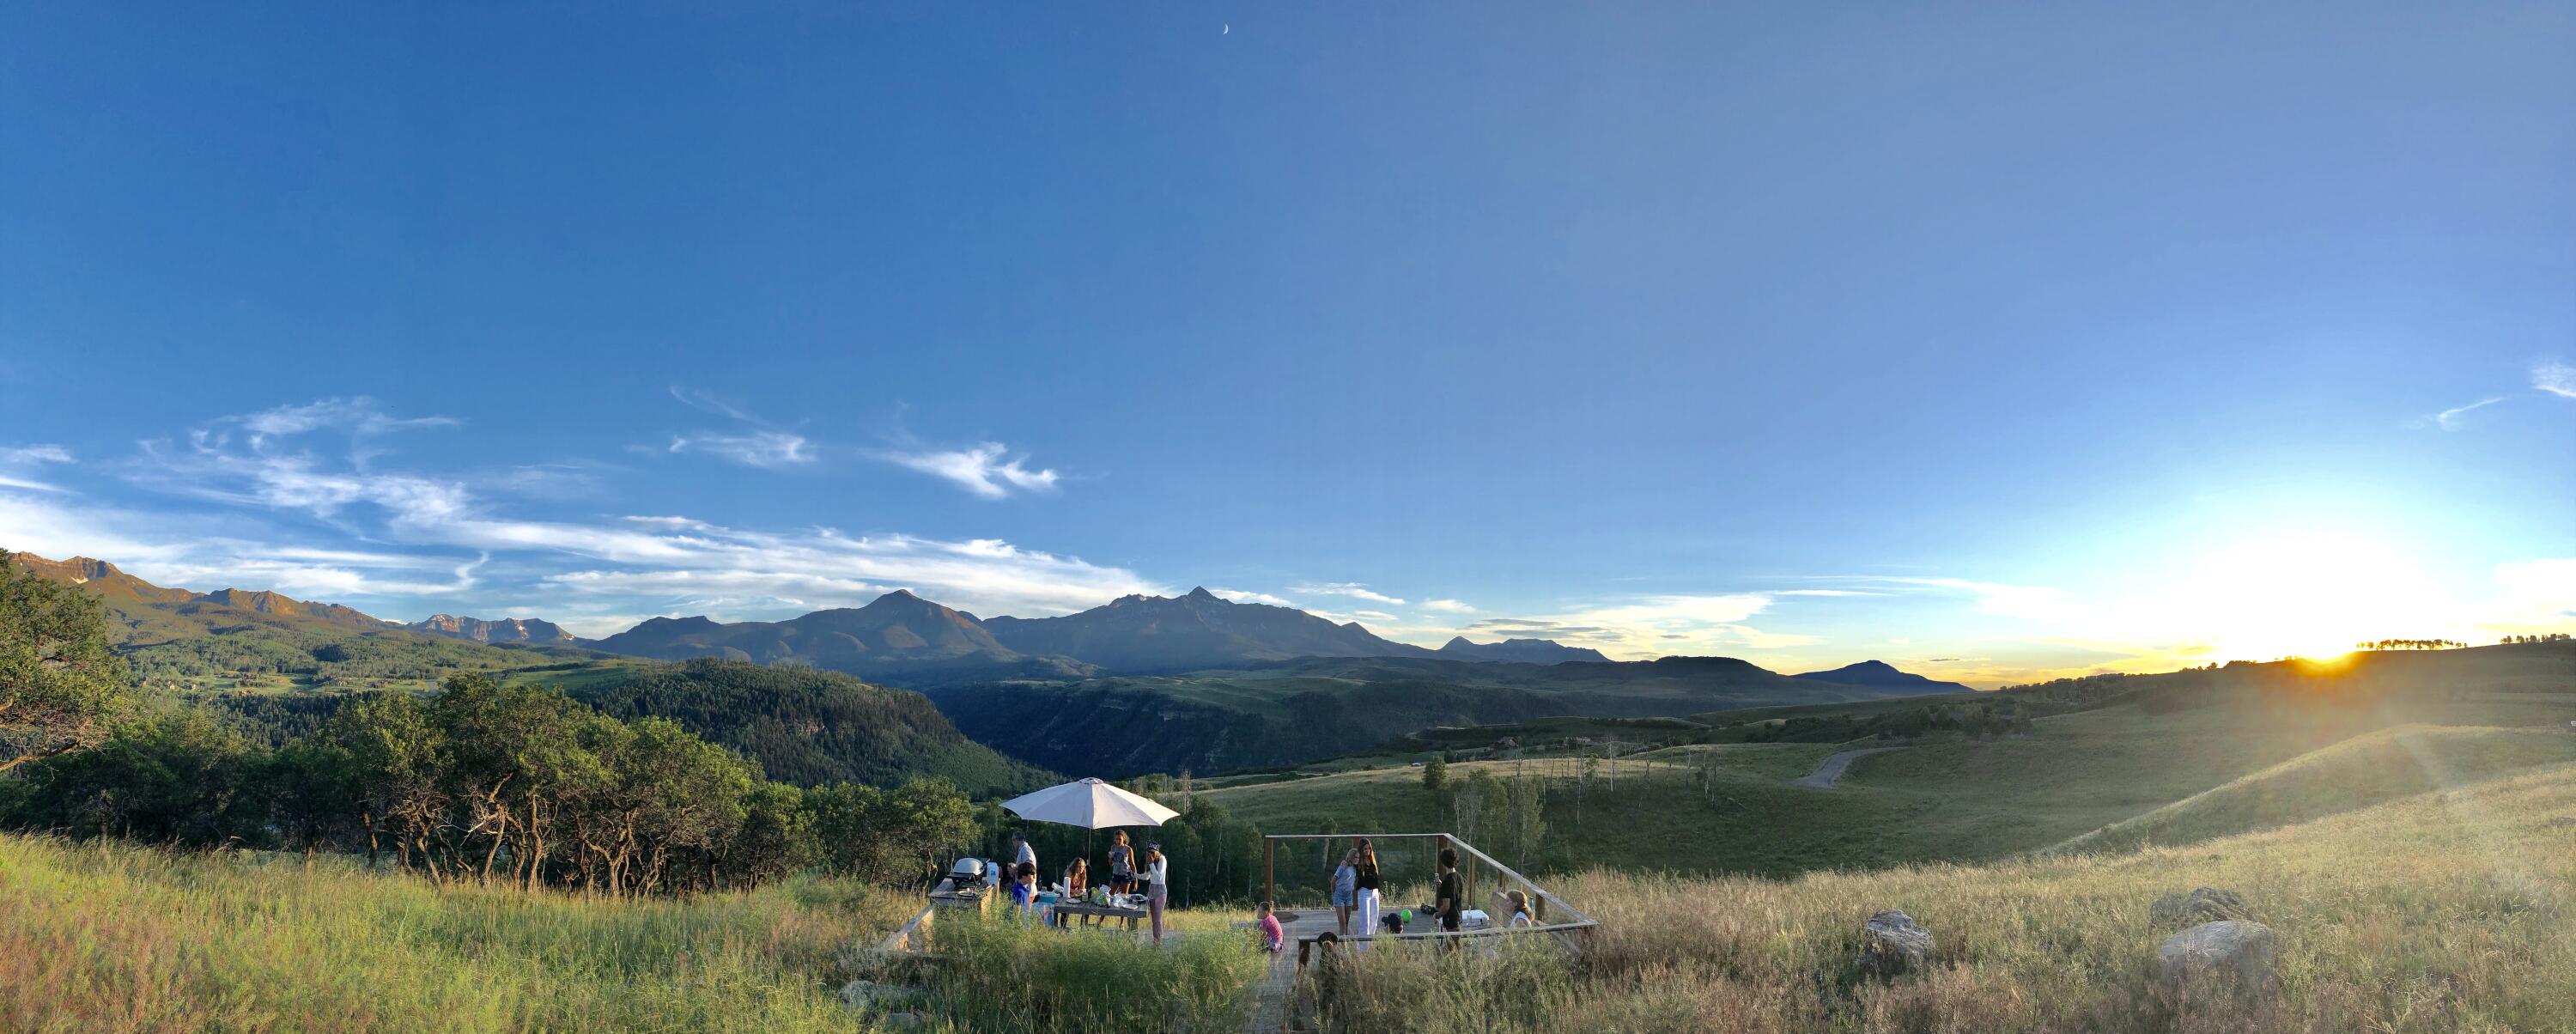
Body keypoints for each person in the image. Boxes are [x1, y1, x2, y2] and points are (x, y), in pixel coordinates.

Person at [1352, 838, 1382, 951]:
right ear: (1361, 849)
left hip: (1374, 892)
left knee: (1374, 920)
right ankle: (1362, 950)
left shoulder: (1372, 860)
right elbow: (1350, 861)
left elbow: (1376, 877)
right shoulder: (1359, 862)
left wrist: (1379, 891)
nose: (1367, 851)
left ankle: (1370, 947)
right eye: (1365, 849)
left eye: (1369, 849)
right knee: (1365, 921)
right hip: (1364, 892)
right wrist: (1346, 862)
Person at [1142, 842, 1170, 946]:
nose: (1151, 854)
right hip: (1152, 889)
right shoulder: (1150, 862)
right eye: (1149, 852)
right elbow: (1146, 877)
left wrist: (1151, 864)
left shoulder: (1162, 859)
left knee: (1158, 919)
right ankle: (1155, 941)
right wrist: (1133, 875)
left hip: (1160, 890)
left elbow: (1159, 877)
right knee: (1154, 920)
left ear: (1157, 852)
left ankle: (1159, 942)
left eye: (1153, 852)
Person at [1434, 847, 1463, 943]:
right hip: (1457, 918)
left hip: (1450, 922)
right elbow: (1454, 893)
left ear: (1443, 863)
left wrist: (1437, 915)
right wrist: (1442, 885)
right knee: (1455, 951)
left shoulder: (1447, 882)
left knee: (1453, 951)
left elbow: (1446, 907)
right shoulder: (1459, 877)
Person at [1330, 848, 1359, 936]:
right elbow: (1333, 881)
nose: (1357, 859)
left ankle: (1344, 944)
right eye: (1355, 857)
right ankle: (1342, 944)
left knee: (1346, 922)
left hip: (1349, 894)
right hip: (1339, 894)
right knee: (1342, 922)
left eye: (1358, 858)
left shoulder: (1355, 868)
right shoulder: (1343, 866)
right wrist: (1334, 894)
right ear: (1350, 857)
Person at [1055, 858, 1089, 928]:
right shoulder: (1070, 872)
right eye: (1079, 867)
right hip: (1065, 893)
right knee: (1065, 908)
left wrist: (1080, 892)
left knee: (1087, 907)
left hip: (1075, 895)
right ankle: (1062, 927)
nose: (1081, 869)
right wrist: (1075, 892)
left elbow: (1082, 888)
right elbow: (1065, 887)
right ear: (1075, 866)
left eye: (1083, 867)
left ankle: (1083, 927)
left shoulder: (1083, 874)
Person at [1106, 830, 1134, 895]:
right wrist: (1110, 858)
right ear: (1114, 839)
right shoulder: (1113, 847)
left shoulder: (1128, 849)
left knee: (1123, 897)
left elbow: (1132, 865)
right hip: (1116, 874)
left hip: (1125, 875)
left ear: (1124, 839)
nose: (1118, 841)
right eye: (1116, 839)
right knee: (1110, 895)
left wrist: (1136, 881)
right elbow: (1111, 864)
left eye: (1120, 839)